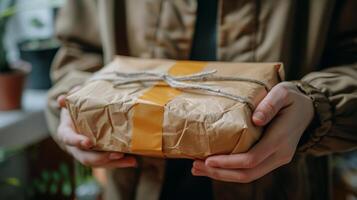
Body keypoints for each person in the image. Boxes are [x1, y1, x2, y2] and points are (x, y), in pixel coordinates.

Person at [46, 0, 357, 200]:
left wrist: (316, 107)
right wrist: (73, 104)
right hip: (134, 188)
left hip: (282, 188)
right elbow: (79, 54)